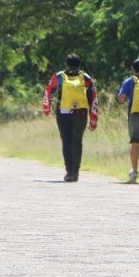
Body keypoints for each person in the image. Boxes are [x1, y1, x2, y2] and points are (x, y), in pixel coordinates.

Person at [42, 54, 98, 182]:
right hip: (81, 113)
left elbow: (49, 91)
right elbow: (93, 98)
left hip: (63, 113)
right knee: (77, 142)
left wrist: (47, 108)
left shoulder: (59, 76)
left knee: (66, 142)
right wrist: (93, 118)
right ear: (79, 65)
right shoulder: (86, 78)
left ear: (66, 64)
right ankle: (76, 171)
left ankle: (69, 172)